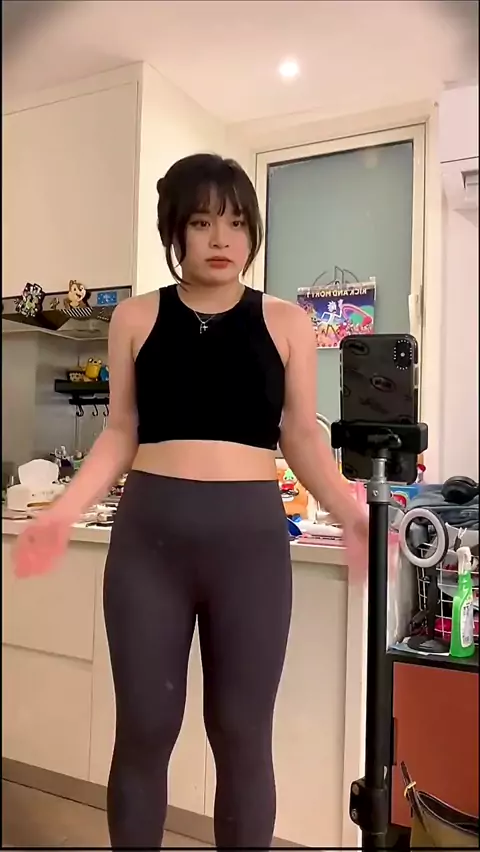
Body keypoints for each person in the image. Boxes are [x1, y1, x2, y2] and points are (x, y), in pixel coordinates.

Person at [14, 153, 368, 849]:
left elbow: (300, 434)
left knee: (241, 734)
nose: (220, 239)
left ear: (253, 232)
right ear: (175, 230)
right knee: (144, 729)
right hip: (149, 541)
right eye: (202, 222)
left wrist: (353, 510)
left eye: (236, 223)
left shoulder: (287, 322)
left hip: (250, 545)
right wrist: (61, 511)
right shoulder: (136, 318)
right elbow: (120, 431)